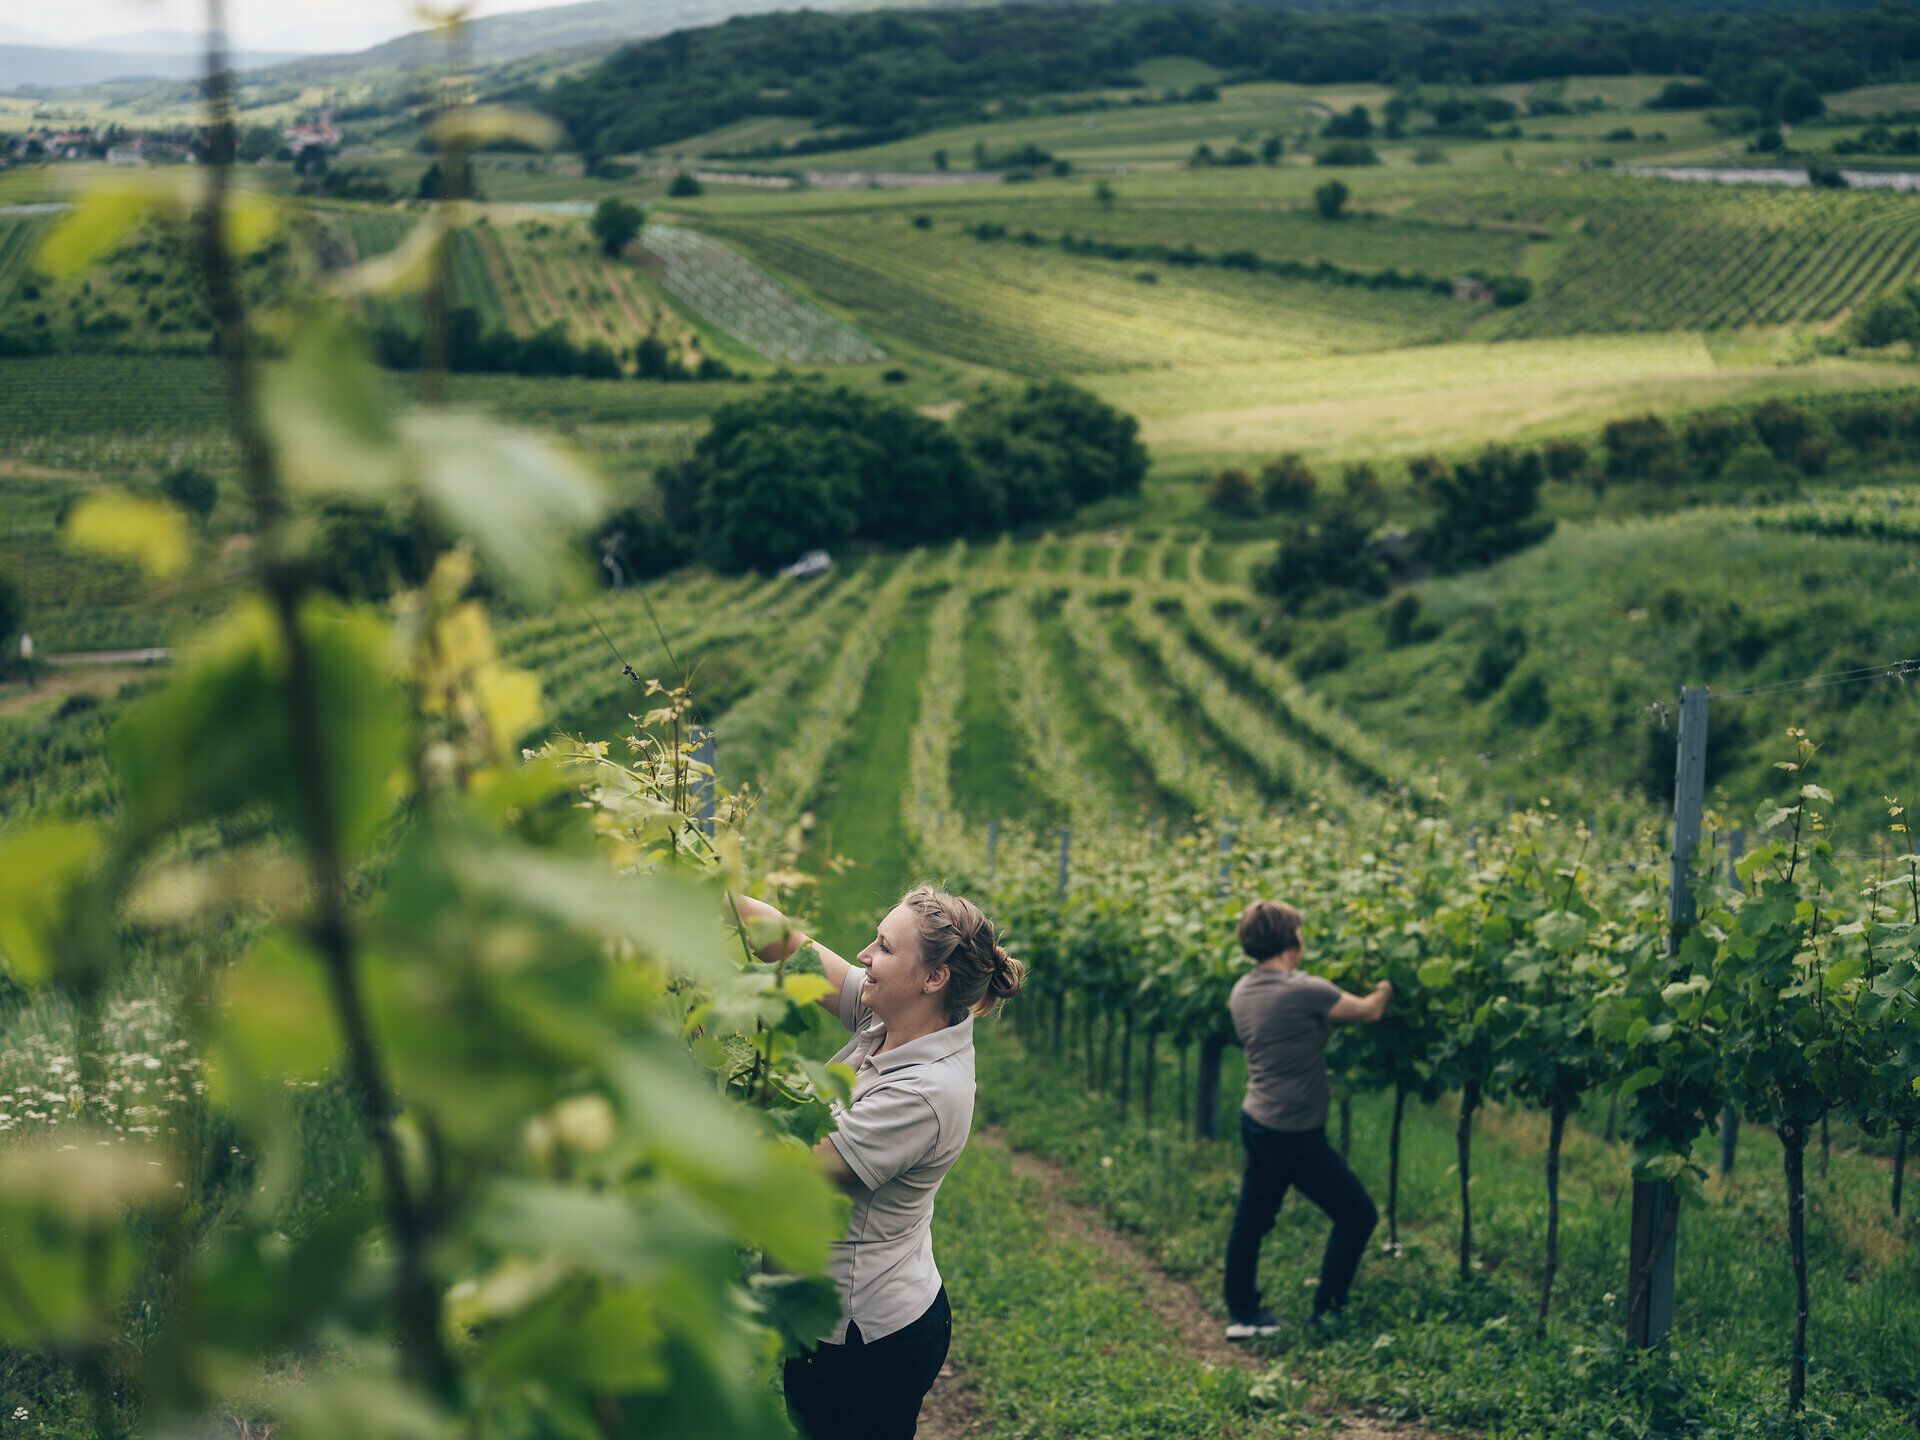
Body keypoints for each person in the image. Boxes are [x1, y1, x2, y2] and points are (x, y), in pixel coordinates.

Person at [732, 884, 1025, 1440]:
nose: (865, 955)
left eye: (885, 947)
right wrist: (713, 889)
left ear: (932, 978)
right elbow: (791, 947)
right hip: (841, 1326)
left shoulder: (926, 1093)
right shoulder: (893, 1018)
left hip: (861, 1341)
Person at [1223, 899, 1389, 1339]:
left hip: (1257, 1119)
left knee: (1252, 1221)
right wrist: (1387, 986)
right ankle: (1327, 1312)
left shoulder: (1242, 991)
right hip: (1293, 1133)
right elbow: (1369, 1010)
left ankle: (1242, 1314)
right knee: (1358, 1214)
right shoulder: (1304, 990)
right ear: (1291, 940)